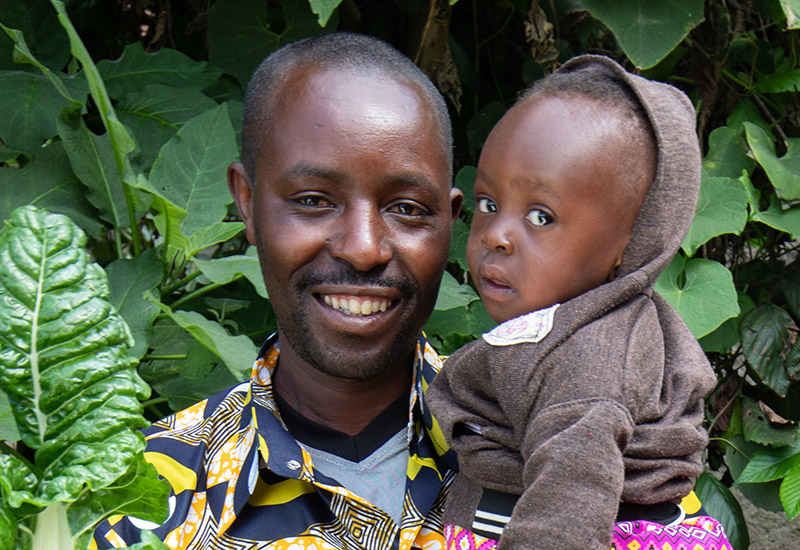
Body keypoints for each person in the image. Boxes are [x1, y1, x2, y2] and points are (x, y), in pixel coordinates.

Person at [92, 32, 462, 549]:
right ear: (247, 201)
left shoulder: (542, 449)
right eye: (313, 200)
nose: (363, 248)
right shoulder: (139, 500)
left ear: (450, 220)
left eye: (406, 208)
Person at [426, 55, 732, 550]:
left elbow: (571, 499)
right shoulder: (581, 325)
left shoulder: (588, 361)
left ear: (627, 244)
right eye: (488, 203)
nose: (497, 235)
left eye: (541, 217)